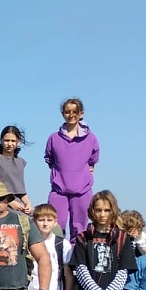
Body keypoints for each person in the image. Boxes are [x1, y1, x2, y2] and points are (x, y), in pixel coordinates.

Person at [44, 98, 100, 240]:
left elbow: (93, 159)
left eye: (75, 111)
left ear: (81, 114)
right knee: (55, 227)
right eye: (67, 112)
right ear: (63, 114)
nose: (71, 115)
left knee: (80, 229)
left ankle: (77, 254)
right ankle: (58, 254)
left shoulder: (91, 138)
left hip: (82, 190)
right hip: (59, 190)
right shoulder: (54, 138)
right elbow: (49, 158)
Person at [0, 126, 33, 216]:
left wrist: (28, 204)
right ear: (1, 141)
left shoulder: (21, 162)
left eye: (13, 141)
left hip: (19, 204)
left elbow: (20, 190)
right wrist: (9, 202)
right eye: (7, 140)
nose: (10, 144)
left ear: (18, 142)